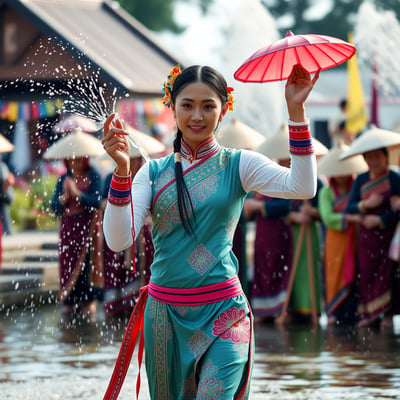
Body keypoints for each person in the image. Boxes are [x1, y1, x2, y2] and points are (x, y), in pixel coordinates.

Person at [102, 63, 319, 399]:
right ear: (171, 106)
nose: (197, 116)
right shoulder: (152, 173)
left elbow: (302, 186)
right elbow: (119, 240)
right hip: (165, 317)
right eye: (187, 105)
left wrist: (296, 110)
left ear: (224, 108)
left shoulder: (239, 164)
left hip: (224, 312)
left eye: (208, 106)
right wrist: (121, 170)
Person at [346, 147, 400, 327]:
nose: (374, 161)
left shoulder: (394, 178)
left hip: (387, 235)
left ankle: (386, 314)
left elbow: (397, 209)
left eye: (377, 156)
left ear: (386, 157)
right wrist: (364, 205)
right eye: (369, 157)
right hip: (366, 237)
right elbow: (350, 207)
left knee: (388, 274)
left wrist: (381, 220)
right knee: (367, 272)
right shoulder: (361, 179)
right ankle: (368, 314)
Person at [317, 143, 367, 325]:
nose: (341, 175)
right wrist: (352, 219)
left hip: (355, 239)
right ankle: (334, 313)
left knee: (356, 272)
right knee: (334, 275)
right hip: (335, 241)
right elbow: (328, 217)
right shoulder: (326, 193)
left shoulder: (358, 189)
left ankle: (355, 312)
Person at [101, 151, 154, 318]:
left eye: (135, 158)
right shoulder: (112, 176)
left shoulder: (146, 176)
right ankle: (117, 306)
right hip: (119, 234)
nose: (133, 161)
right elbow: (103, 202)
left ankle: (138, 305)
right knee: (117, 272)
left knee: (141, 271)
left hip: (142, 235)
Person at [50, 155, 103, 320]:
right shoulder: (63, 179)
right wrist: (63, 200)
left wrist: (78, 194)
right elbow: (53, 206)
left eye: (79, 160)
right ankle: (69, 301)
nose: (75, 163)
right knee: (68, 262)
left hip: (88, 228)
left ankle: (88, 301)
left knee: (88, 264)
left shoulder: (94, 176)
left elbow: (98, 201)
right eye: (72, 160)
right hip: (68, 228)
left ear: (85, 160)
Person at [243, 157, 293, 323]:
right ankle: (263, 311)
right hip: (262, 233)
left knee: (279, 266)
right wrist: (251, 209)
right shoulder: (262, 183)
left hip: (279, 232)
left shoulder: (286, 181)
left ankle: (281, 310)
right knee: (262, 267)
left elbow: (287, 206)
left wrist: (259, 206)